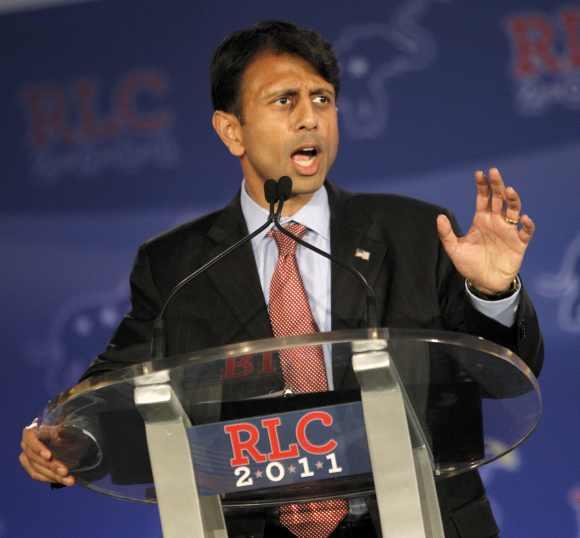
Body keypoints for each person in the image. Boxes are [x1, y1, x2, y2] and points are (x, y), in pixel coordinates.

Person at [20, 20, 543, 538]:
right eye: (284, 101)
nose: (310, 119)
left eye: (322, 99)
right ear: (231, 130)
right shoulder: (177, 268)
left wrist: (492, 293)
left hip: (419, 520)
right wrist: (73, 438)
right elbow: (111, 388)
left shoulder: (414, 232)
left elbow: (500, 375)